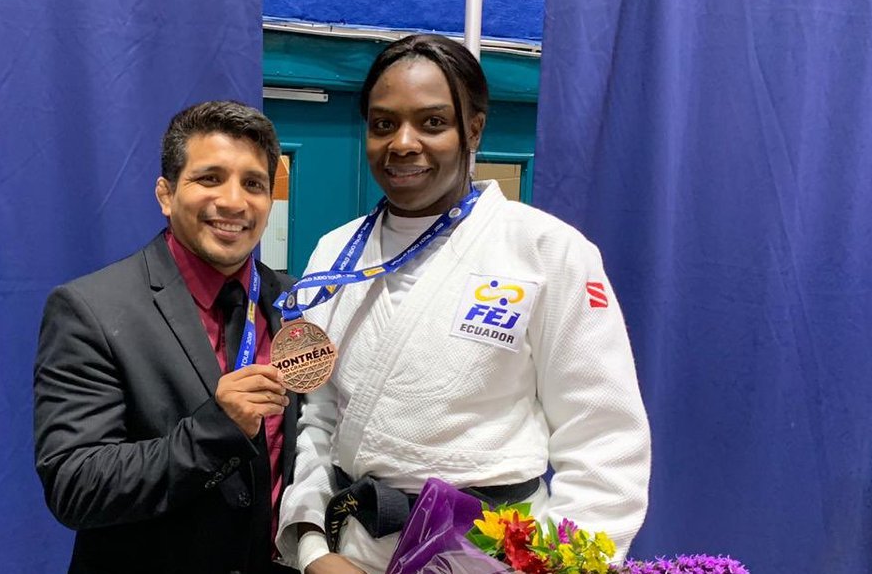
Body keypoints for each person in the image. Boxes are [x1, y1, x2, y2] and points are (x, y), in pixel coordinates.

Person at [275, 35, 652, 574]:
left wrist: (549, 568)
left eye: (432, 123)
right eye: (383, 124)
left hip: (490, 556)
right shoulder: (335, 253)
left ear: (473, 128)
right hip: (353, 552)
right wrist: (314, 551)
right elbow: (318, 419)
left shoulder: (546, 250)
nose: (403, 143)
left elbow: (604, 437)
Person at [34, 100, 300, 573]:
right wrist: (216, 430)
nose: (235, 201)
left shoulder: (290, 303)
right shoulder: (91, 309)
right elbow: (75, 486)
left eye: (254, 184)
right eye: (210, 178)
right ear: (165, 193)